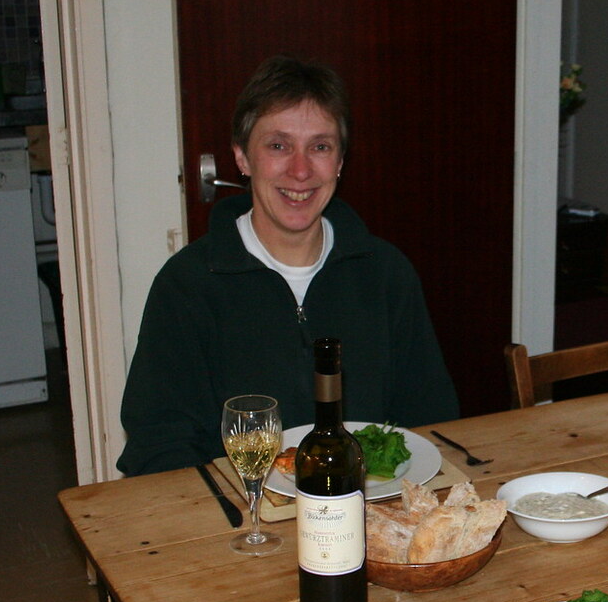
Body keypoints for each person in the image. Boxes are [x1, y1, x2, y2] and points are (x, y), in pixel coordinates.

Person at [118, 56, 459, 476]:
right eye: (278, 145)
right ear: (242, 158)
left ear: (339, 162)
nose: (300, 170)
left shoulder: (387, 273)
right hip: (244, 522)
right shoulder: (187, 285)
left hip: (373, 508)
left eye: (320, 146)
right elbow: (158, 445)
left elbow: (432, 419)